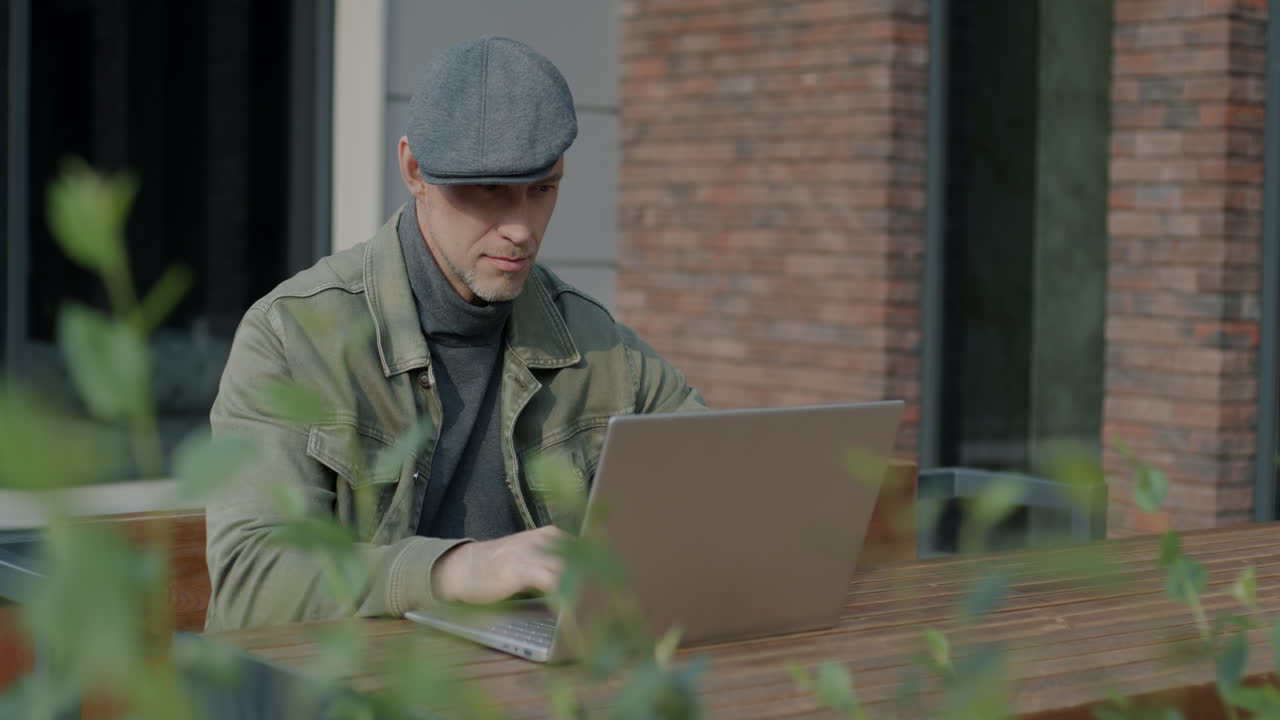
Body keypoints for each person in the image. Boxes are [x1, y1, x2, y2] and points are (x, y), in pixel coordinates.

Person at [203, 37, 705, 631]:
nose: (521, 228)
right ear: (415, 171)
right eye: (490, 190)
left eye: (543, 189)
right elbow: (250, 579)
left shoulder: (597, 346)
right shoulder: (291, 336)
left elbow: (723, 486)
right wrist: (455, 569)